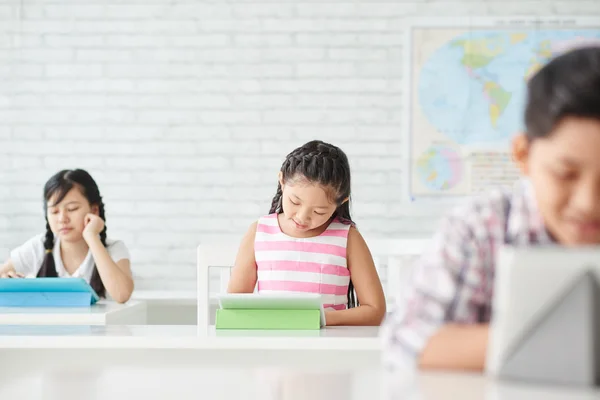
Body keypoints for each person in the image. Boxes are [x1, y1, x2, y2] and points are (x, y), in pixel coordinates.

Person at [381, 45, 600, 372]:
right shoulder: (481, 226)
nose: (588, 203)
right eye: (565, 174)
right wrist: (567, 343)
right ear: (523, 154)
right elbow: (406, 341)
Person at [228, 140, 386, 326]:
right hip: (272, 342)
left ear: (341, 202)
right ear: (282, 181)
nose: (302, 217)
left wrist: (318, 318)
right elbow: (235, 305)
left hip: (327, 347)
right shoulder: (259, 231)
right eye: (295, 202)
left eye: (319, 211)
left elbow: (375, 310)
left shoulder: (348, 238)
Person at [0, 169, 134, 303]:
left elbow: (122, 295)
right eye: (54, 211)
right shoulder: (39, 247)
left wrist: (92, 236)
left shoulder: (114, 248)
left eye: (72, 209)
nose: (62, 218)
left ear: (94, 210)